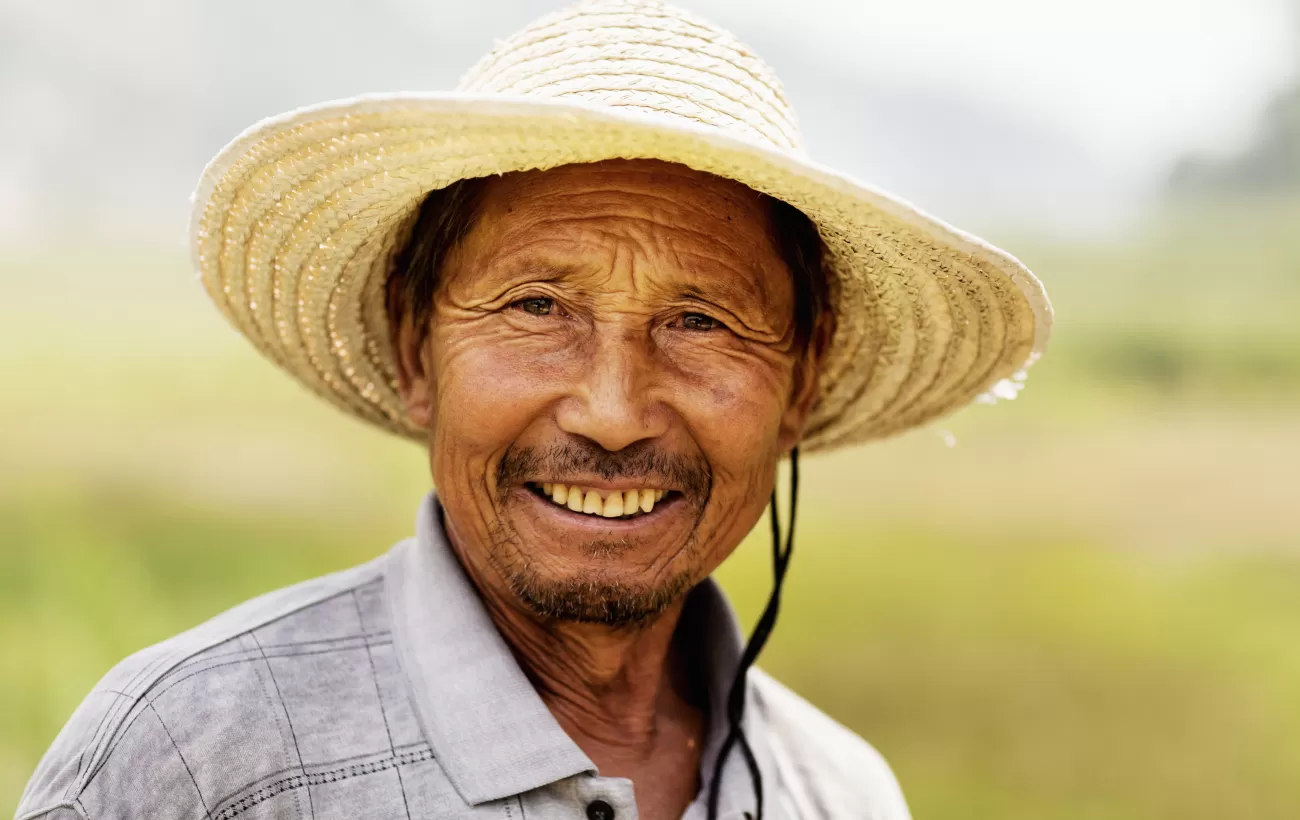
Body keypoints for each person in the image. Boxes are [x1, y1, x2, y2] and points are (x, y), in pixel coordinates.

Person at [16, 1, 1051, 819]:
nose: (612, 411)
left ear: (801, 383)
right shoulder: (198, 759)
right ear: (415, 347)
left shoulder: (837, 794)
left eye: (698, 321)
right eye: (537, 306)